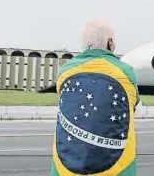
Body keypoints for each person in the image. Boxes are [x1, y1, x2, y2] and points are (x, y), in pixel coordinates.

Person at [51, 19, 141, 176]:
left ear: (84, 46)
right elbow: (136, 107)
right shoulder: (125, 73)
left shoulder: (64, 73)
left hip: (65, 169)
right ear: (111, 43)